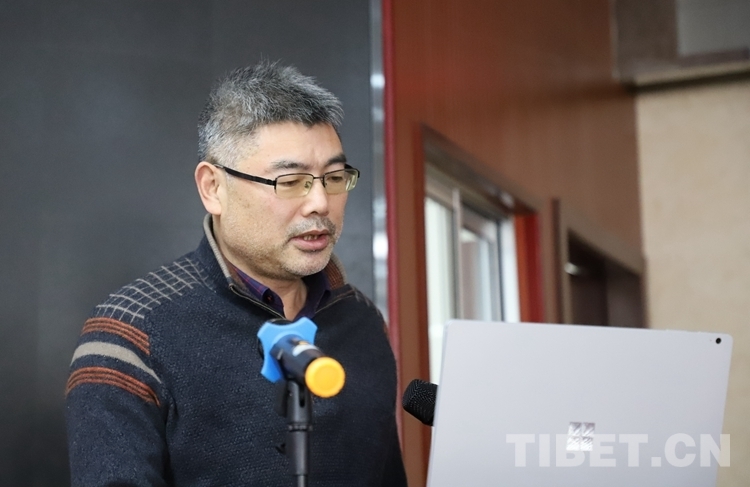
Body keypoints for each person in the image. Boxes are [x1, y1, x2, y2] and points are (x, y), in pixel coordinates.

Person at [65, 61, 408, 487]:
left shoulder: (362, 321)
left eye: (334, 177)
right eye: (290, 181)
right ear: (213, 188)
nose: (320, 202)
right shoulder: (132, 332)